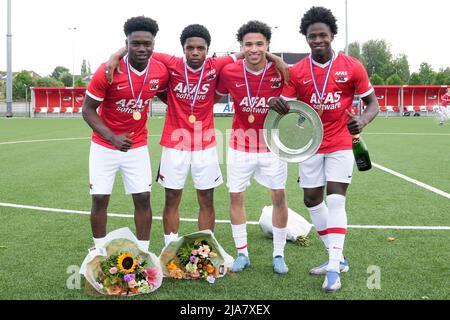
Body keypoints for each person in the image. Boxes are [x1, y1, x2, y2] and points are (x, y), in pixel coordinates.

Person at [106, 25, 289, 247]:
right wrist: (116, 54)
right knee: (172, 198)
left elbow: (248, 51)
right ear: (183, 49)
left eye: (200, 48)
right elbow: (141, 49)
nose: (195, 52)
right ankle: (170, 247)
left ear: (207, 49)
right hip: (175, 143)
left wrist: (276, 59)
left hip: (205, 144)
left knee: (206, 198)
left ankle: (205, 248)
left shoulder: (216, 65)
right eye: (190, 48)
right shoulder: (171, 64)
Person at [270, 7, 379, 292]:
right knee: (311, 200)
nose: (318, 40)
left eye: (323, 35)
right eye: (312, 36)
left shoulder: (351, 66)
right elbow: (286, 105)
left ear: (332, 36)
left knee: (336, 200)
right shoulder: (298, 71)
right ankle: (338, 258)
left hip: (341, 140)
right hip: (310, 144)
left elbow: (372, 104)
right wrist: (276, 104)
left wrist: (363, 120)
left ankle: (333, 267)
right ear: (305, 38)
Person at [82, 16, 169, 252]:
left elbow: (166, 94)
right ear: (126, 43)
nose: (142, 48)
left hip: (137, 146)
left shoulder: (160, 71)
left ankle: (143, 251)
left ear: (154, 44)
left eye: (147, 44)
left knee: (142, 197)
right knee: (100, 198)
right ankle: (99, 250)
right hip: (104, 145)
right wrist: (112, 137)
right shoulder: (108, 70)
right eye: (135, 43)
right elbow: (87, 110)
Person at [216, 21, 289, 275]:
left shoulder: (280, 72)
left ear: (268, 45)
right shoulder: (230, 71)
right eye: (248, 44)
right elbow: (215, 80)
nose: (254, 49)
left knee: (279, 197)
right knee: (236, 197)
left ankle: (279, 254)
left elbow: (295, 94)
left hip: (272, 146)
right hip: (239, 145)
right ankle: (242, 253)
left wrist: (277, 61)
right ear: (241, 46)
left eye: (260, 44)